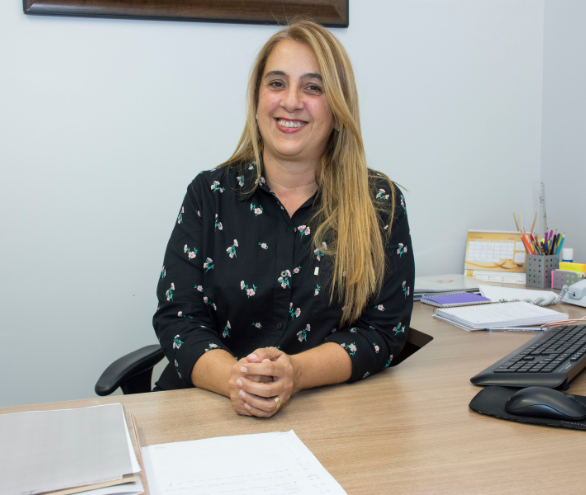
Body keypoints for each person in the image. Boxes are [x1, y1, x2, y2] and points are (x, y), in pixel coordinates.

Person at [153, 20, 414, 418]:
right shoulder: (209, 195)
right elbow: (178, 317)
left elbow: (383, 331)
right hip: (204, 408)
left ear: (338, 106)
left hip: (322, 415)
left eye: (313, 87)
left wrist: (295, 372)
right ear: (257, 98)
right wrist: (236, 381)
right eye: (276, 83)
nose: (291, 101)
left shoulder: (379, 203)